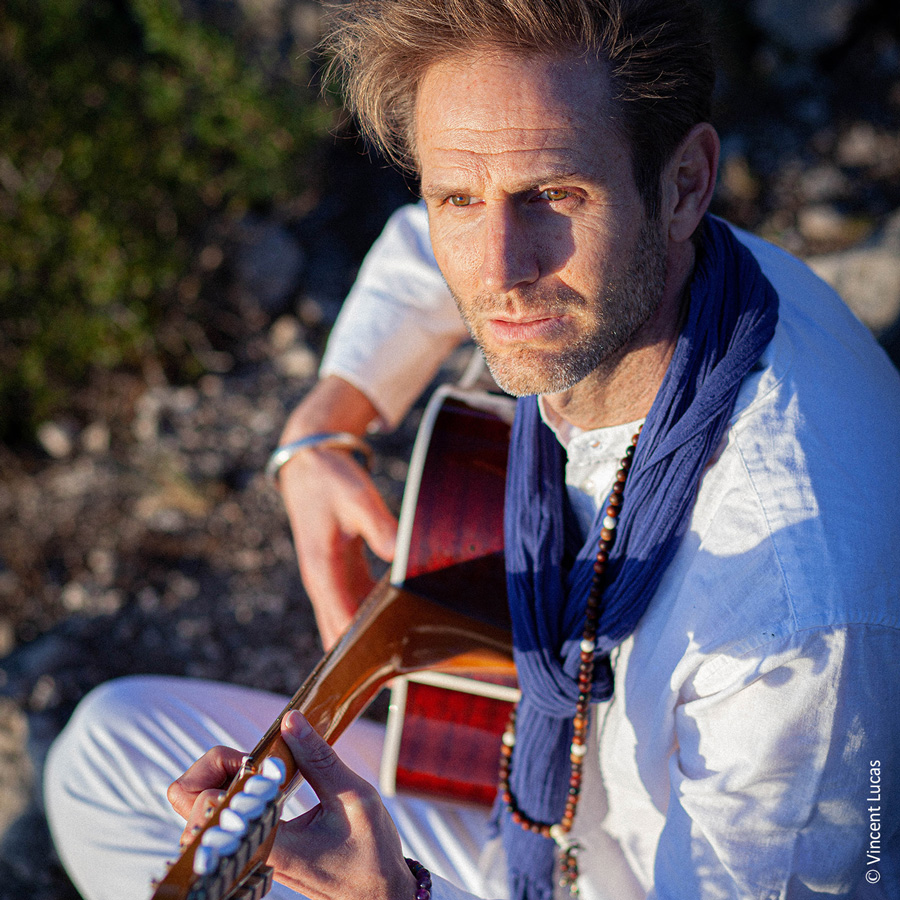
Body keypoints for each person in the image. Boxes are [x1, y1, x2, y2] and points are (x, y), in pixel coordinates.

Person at [43, 1, 900, 899]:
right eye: (457, 195)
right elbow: (429, 247)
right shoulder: (689, 273)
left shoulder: (789, 621)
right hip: (537, 803)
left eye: (554, 197)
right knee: (103, 755)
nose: (497, 269)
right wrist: (323, 428)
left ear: (685, 183)